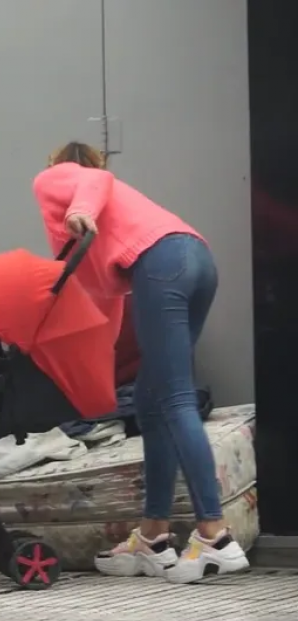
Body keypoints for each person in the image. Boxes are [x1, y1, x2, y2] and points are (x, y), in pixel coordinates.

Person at [32, 141, 249, 584]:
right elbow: (109, 302)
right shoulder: (115, 221)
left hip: (162, 262)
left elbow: (94, 180)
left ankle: (214, 535)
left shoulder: (61, 180)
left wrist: (79, 209)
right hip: (195, 259)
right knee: (151, 404)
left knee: (174, 399)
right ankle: (154, 538)